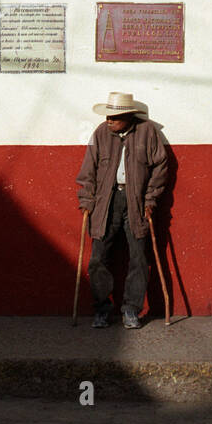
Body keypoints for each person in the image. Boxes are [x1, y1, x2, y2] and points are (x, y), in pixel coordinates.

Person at [76, 91, 168, 329]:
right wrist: (86, 200)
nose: (109, 121)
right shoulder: (100, 134)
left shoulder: (147, 132)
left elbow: (160, 167)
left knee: (138, 257)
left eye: (114, 117)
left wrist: (150, 199)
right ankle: (102, 310)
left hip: (136, 202)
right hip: (105, 202)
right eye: (108, 117)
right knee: (98, 258)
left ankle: (131, 311)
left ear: (128, 116)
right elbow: (88, 170)